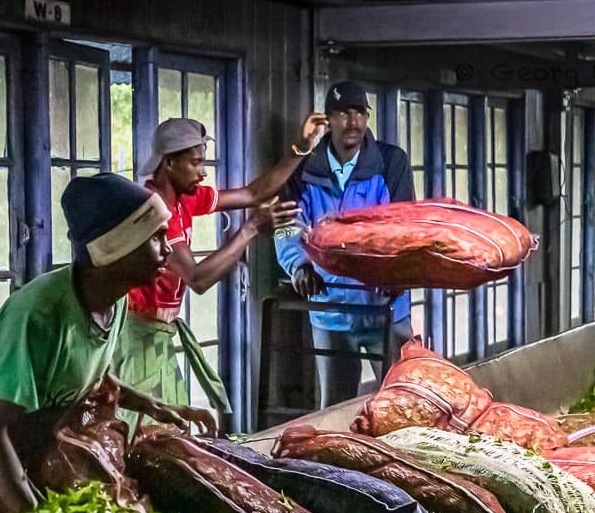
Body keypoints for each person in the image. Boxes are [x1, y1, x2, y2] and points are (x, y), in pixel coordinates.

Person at [0, 173, 216, 513]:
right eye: (155, 238)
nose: (168, 248)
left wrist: (155, 406)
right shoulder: (38, 315)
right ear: (114, 250)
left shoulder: (116, 300)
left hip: (35, 474)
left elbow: (86, 376)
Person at [116, 113, 327, 420]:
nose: (203, 172)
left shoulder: (183, 198)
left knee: (169, 429)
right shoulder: (156, 209)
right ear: (169, 163)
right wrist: (251, 227)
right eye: (196, 162)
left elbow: (253, 193)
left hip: (159, 333)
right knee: (141, 431)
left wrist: (302, 147)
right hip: (137, 339)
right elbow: (198, 279)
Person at [275, 79, 416, 409]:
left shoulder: (391, 162)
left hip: (386, 308)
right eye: (342, 113)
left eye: (359, 113)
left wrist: (398, 274)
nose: (352, 122)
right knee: (336, 409)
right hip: (331, 310)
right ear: (327, 119)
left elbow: (406, 226)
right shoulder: (303, 167)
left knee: (403, 403)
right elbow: (286, 226)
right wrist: (298, 264)